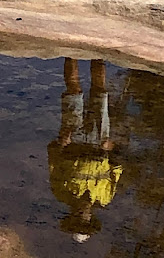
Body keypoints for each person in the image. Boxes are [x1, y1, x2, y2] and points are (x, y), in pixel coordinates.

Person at [48, 58, 122, 243]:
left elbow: (53, 158)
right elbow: (117, 167)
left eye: (77, 219)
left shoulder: (61, 192)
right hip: (99, 142)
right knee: (100, 91)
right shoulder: (105, 197)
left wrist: (62, 143)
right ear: (91, 218)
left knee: (74, 91)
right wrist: (110, 148)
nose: (82, 216)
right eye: (85, 220)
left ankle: (71, 52)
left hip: (74, 140)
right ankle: (98, 52)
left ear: (71, 216)